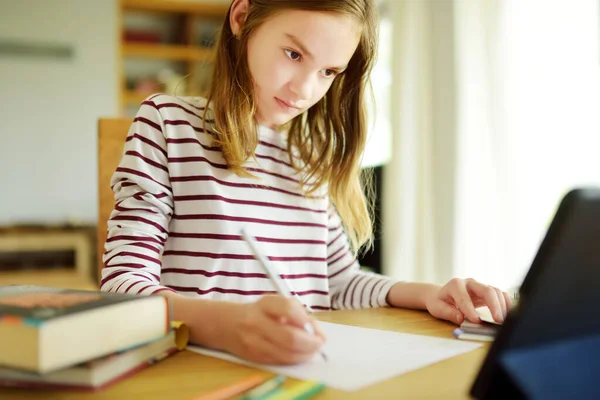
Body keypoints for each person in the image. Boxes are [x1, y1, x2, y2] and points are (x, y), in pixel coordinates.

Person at [101, 0, 512, 365]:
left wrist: (426, 294)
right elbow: (123, 287)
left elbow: (338, 282)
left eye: (328, 71)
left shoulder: (308, 153)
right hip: (198, 372)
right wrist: (230, 324)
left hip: (302, 372)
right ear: (242, 17)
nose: (304, 89)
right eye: (293, 53)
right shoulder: (167, 123)